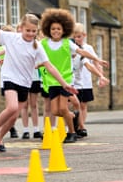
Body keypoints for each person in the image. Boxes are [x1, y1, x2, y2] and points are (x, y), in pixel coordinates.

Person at [0, 10, 77, 152]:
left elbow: (50, 67)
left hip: (25, 83)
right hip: (9, 77)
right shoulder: (11, 38)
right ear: (21, 27)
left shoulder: (37, 46)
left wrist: (65, 84)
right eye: (28, 30)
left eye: (34, 31)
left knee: (14, 117)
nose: (31, 34)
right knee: (12, 107)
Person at [40, 8, 109, 143]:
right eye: (53, 29)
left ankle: (71, 132)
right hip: (52, 81)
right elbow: (33, 54)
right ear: (48, 29)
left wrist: (97, 60)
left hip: (66, 80)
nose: (56, 31)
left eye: (59, 29)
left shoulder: (67, 43)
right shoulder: (43, 44)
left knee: (63, 108)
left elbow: (82, 53)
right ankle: (73, 116)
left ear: (64, 30)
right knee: (55, 111)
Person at [72, 23, 109, 137]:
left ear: (84, 35)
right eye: (74, 37)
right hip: (73, 82)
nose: (77, 39)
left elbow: (96, 63)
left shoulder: (88, 48)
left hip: (86, 82)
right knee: (75, 105)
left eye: (79, 36)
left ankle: (81, 126)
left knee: (83, 105)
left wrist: (100, 77)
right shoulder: (72, 48)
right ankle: (77, 127)